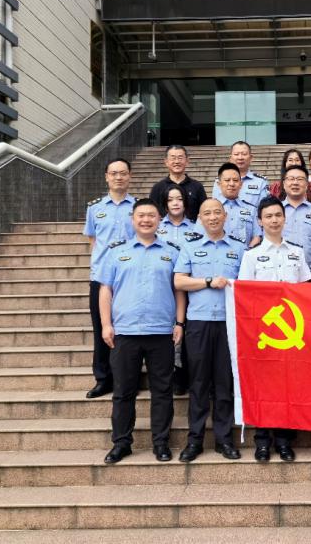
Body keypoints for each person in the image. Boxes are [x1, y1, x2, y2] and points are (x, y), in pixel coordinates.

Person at [97, 198, 186, 465]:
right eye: (141, 215)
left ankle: (161, 443)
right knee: (123, 391)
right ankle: (121, 443)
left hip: (161, 332)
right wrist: (106, 324)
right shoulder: (116, 252)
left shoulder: (172, 251)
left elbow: (178, 290)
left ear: (159, 220)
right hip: (125, 332)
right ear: (133, 219)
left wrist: (179, 323)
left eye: (151, 216)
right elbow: (106, 289)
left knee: (162, 391)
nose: (146, 220)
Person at [238, 196, 311, 463]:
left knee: (287, 386)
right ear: (260, 221)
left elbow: (306, 291)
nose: (273, 220)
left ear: (284, 218)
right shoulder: (251, 256)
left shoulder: (297, 253)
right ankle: (262, 442)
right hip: (263, 333)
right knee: (263, 387)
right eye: (268, 216)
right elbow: (245, 295)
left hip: (292, 331)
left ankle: (284, 441)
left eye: (278, 215)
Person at [174, 198, 247, 462]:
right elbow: (179, 281)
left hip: (230, 324)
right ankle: (194, 440)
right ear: (200, 219)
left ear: (225, 216)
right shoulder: (190, 246)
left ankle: (224, 440)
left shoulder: (239, 248)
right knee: (199, 383)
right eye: (207, 213)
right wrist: (207, 281)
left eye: (217, 212)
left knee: (224, 383)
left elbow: (247, 285)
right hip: (199, 322)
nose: (213, 217)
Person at [82, 158, 136, 400]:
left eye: (123, 173)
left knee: (127, 329)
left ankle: (127, 377)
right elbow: (93, 240)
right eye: (114, 173)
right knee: (101, 328)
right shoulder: (95, 208)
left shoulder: (138, 207)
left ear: (129, 176)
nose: (118, 177)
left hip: (129, 276)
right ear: (106, 177)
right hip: (102, 277)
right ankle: (103, 379)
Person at [157, 184, 197, 395]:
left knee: (187, 331)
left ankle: (186, 373)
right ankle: (173, 373)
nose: (175, 203)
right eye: (171, 199)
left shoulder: (196, 228)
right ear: (165, 204)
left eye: (179, 199)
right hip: (164, 287)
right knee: (170, 331)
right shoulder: (156, 227)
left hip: (190, 286)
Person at [281, 164, 311, 267]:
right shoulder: (275, 210)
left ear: (307, 184)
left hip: (310, 271)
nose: (295, 182)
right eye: (291, 179)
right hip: (280, 271)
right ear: (284, 184)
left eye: (300, 179)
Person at [149, 145, 207, 222]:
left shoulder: (197, 187)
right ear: (166, 162)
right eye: (173, 158)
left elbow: (204, 212)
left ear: (187, 161)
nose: (177, 162)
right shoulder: (158, 188)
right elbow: (151, 212)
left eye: (180, 158)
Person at [211, 162, 261, 247]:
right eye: (227, 180)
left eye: (235, 180)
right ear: (219, 184)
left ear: (241, 184)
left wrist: (246, 252)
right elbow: (200, 236)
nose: (231, 184)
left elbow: (257, 236)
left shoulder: (251, 209)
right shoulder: (208, 208)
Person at [212, 141, 268, 208]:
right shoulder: (220, 181)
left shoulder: (261, 182)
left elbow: (265, 208)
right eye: (236, 154)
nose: (240, 158)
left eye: (244, 154)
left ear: (251, 158)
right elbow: (215, 205)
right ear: (230, 158)